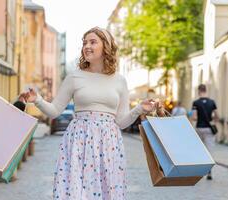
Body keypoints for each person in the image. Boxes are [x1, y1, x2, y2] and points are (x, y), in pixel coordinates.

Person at [22, 27, 158, 199]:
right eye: (85, 42)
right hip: (79, 140)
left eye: (93, 42)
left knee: (108, 190)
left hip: (109, 143)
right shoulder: (74, 77)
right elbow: (55, 111)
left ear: (106, 47)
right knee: (77, 192)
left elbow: (122, 122)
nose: (87, 46)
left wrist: (139, 109)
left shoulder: (119, 80)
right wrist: (38, 100)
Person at [192, 84, 219, 180]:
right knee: (209, 150)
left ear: (199, 91)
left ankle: (198, 171)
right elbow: (216, 116)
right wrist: (213, 122)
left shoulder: (196, 103)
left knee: (199, 149)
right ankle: (209, 171)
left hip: (199, 128)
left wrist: (194, 119)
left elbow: (194, 117)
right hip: (209, 129)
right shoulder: (212, 102)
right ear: (205, 90)